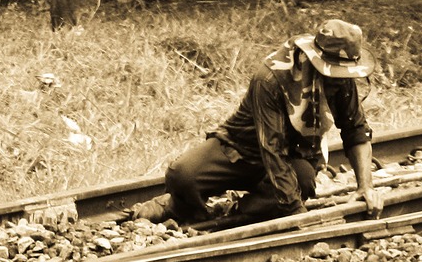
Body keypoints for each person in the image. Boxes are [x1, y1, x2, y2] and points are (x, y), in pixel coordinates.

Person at [127, 19, 385, 225]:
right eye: (335, 73)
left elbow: (356, 130)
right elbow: (271, 148)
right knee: (181, 175)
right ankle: (178, 207)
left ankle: (234, 211)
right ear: (316, 60)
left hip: (292, 156)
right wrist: (298, 215)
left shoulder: (341, 79)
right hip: (239, 150)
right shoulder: (271, 79)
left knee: (302, 183)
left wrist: (366, 187)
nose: (340, 79)